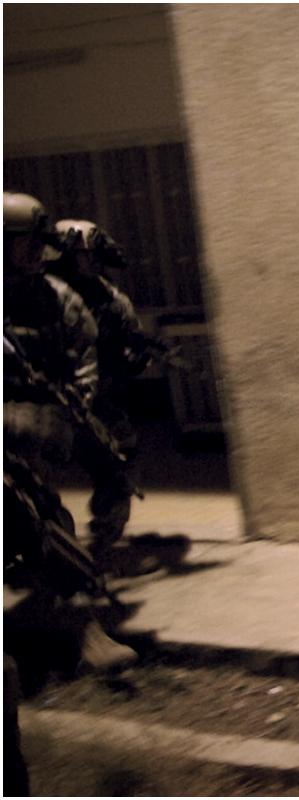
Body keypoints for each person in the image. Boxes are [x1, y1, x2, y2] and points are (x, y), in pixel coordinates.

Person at [3, 191, 137, 672]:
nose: (36, 252)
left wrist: (79, 395)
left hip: (45, 413)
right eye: (25, 242)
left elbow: (84, 351)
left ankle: (85, 619)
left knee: (94, 481)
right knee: (31, 510)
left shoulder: (56, 297)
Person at [44, 220, 151, 562]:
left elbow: (133, 344)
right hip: (41, 399)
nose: (91, 263)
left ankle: (104, 533)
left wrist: (136, 357)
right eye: (84, 256)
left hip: (93, 399)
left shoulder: (111, 299)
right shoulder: (41, 294)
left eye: (92, 256)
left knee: (121, 457)